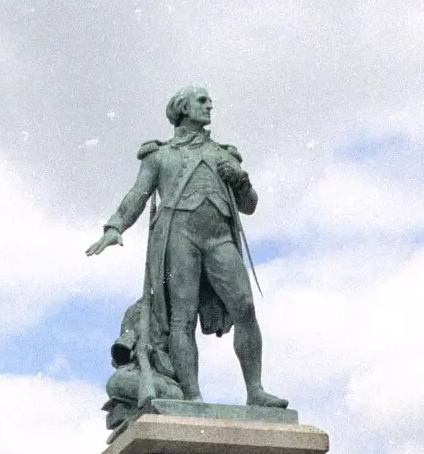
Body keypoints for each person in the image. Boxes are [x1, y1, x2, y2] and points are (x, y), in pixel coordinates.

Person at [87, 85, 288, 411]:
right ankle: (192, 397)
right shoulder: (160, 155)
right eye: (202, 101)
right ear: (182, 108)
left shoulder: (226, 154)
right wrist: (114, 227)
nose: (210, 105)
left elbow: (249, 205)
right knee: (182, 319)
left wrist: (241, 181)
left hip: (219, 237)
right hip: (179, 238)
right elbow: (137, 195)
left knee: (245, 307)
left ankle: (255, 390)